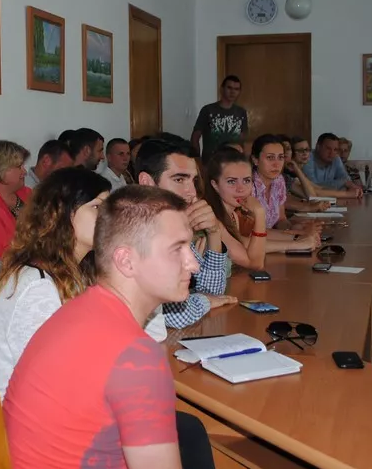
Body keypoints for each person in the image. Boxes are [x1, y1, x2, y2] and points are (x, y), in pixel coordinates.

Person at [4, 186, 270, 469]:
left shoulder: (81, 309)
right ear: (126, 260)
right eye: (177, 249)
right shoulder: (135, 356)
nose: (192, 263)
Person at [0, 167, 110, 395]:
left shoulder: (71, 271)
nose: (109, 217)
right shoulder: (37, 286)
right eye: (97, 207)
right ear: (62, 212)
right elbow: (50, 379)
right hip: (22, 410)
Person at [135, 139, 236, 332]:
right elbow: (177, 314)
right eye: (179, 180)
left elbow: (213, 291)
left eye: (193, 181)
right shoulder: (134, 230)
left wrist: (214, 232)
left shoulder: (172, 221)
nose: (191, 192)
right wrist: (204, 301)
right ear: (147, 182)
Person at [249, 135, 322, 251]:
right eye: (270, 158)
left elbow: (281, 220)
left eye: (280, 157)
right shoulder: (247, 186)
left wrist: (295, 228)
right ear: (255, 160)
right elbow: (251, 232)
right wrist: (297, 236)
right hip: (255, 248)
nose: (276, 164)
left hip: (272, 245)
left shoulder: (278, 181)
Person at [202, 148, 269, 271]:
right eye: (232, 181)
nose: (241, 189)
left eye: (246, 180)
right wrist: (260, 214)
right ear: (215, 185)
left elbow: (250, 253)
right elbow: (255, 264)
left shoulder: (232, 215)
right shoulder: (212, 218)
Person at [191, 75, 249, 161]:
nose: (232, 92)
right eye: (229, 88)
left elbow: (243, 138)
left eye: (236, 89)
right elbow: (195, 137)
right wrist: (196, 159)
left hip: (234, 161)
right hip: (211, 161)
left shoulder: (241, 112)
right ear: (222, 89)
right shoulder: (208, 110)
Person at [291, 136, 360, 201]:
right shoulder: (289, 176)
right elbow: (313, 194)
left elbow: (320, 189)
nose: (305, 153)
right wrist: (346, 192)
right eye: (300, 150)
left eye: (307, 150)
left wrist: (347, 189)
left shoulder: (297, 171)